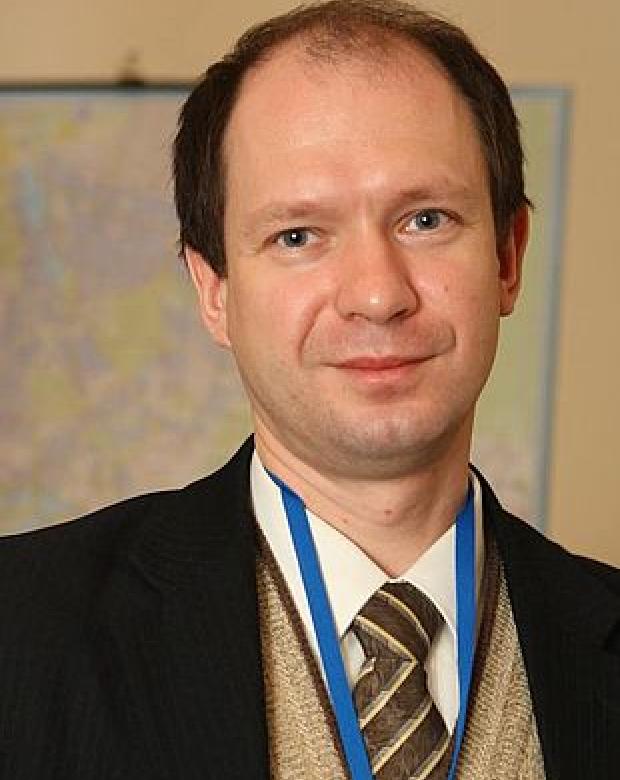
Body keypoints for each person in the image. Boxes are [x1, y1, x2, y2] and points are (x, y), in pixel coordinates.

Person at [1, 1, 618, 778]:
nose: (377, 295)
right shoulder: (20, 634)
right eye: (297, 235)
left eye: (426, 220)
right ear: (214, 289)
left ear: (507, 257)